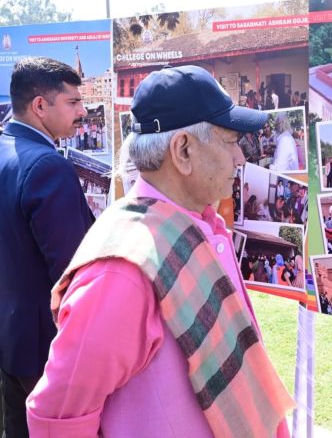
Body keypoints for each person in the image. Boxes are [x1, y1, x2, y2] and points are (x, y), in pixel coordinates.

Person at [26, 65, 293, 437]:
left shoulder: (196, 223)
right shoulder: (121, 274)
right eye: (230, 141)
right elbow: (58, 413)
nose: (240, 159)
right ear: (183, 150)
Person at [0, 57, 95, 438]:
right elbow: (73, 274)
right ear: (40, 106)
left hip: (11, 343)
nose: (83, 111)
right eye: (72, 102)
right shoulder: (46, 167)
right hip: (47, 353)